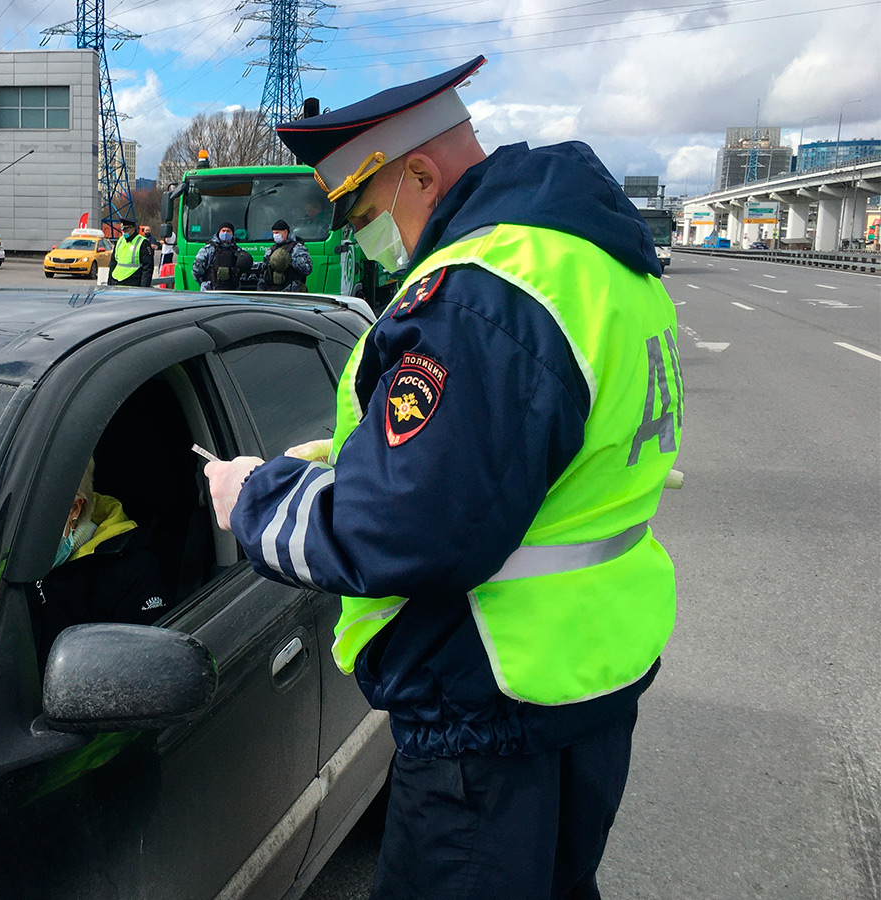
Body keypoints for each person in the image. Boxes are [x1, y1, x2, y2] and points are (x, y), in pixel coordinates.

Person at [202, 55, 682, 900]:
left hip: (490, 715)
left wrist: (256, 502)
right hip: (583, 683)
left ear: (418, 174)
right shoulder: (596, 263)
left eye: (359, 215)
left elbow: (410, 528)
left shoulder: (482, 292)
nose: (361, 240)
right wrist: (360, 461)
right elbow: (529, 458)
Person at [26, 458, 171, 651]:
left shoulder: (131, 570)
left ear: (74, 509)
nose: (21, 530)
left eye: (33, 513)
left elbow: (143, 663)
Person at [191, 222, 254, 291]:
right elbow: (196, 271)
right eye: (223, 231)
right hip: (211, 291)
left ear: (232, 234)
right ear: (219, 232)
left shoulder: (237, 251)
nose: (225, 233)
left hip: (232, 291)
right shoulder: (208, 249)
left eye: (228, 231)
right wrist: (205, 284)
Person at [256, 219, 313, 292]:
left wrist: (290, 260)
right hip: (272, 292)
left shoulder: (297, 249)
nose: (275, 235)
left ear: (285, 232)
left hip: (292, 293)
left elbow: (308, 269)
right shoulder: (271, 250)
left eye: (277, 233)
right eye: (273, 233)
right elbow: (263, 273)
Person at [107, 218, 154, 286]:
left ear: (133, 228)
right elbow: (113, 263)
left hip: (132, 281)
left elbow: (147, 267)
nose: (124, 231)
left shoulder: (143, 243)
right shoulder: (120, 241)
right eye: (122, 229)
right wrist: (110, 282)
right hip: (116, 280)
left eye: (126, 229)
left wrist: (144, 288)